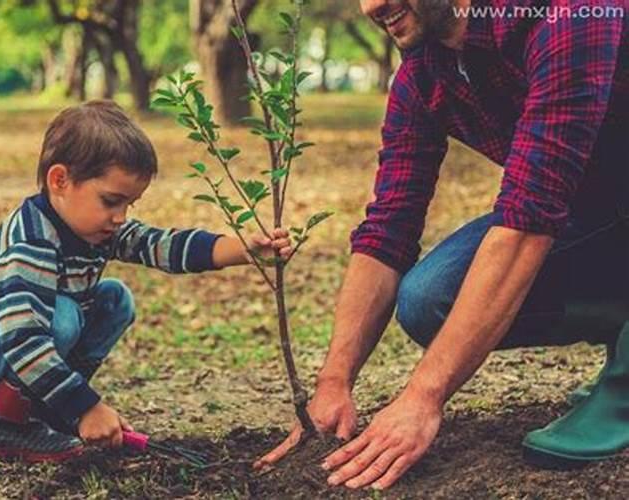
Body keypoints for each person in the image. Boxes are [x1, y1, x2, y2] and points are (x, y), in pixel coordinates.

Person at [256, 0, 629, 491]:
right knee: (430, 297)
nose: (372, 6)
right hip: (603, 212)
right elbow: (388, 229)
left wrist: (422, 398)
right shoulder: (425, 75)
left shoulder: (569, 16)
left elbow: (529, 221)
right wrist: (334, 383)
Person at [0, 100, 292, 462]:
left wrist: (242, 250)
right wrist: (87, 408)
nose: (120, 217)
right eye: (111, 200)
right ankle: (8, 425)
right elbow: (22, 340)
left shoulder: (95, 227)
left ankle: (48, 410)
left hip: (12, 343)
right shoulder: (31, 242)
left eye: (129, 204)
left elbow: (161, 244)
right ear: (60, 180)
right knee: (62, 316)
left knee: (114, 299)